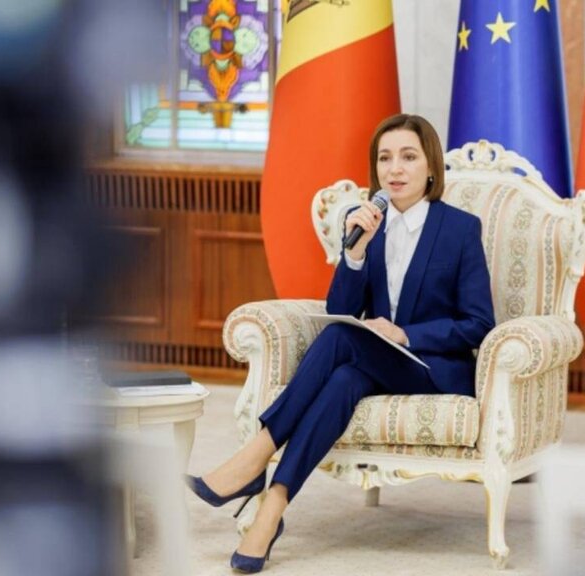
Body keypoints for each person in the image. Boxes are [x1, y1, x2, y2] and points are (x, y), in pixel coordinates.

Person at [186, 113, 495, 573]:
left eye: (408, 157)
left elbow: (479, 323)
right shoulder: (369, 225)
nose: (395, 169)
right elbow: (341, 307)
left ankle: (255, 456)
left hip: (434, 369)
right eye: (385, 158)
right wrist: (354, 253)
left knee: (339, 340)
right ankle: (272, 508)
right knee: (344, 379)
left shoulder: (460, 228)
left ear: (431, 166)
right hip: (378, 364)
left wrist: (406, 334)